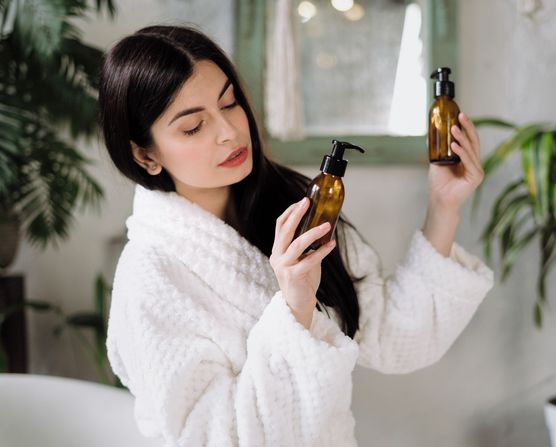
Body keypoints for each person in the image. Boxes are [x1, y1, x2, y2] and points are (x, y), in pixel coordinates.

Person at [99, 25, 494, 447]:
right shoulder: (149, 275)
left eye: (229, 103)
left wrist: (444, 205)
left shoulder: (291, 203)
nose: (230, 131)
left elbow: (393, 336)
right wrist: (294, 305)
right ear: (145, 154)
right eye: (194, 127)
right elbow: (213, 438)